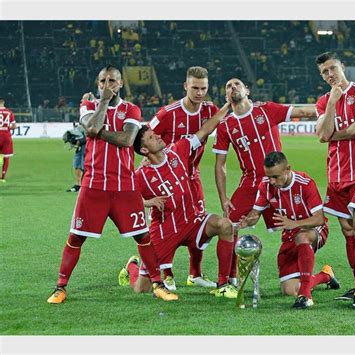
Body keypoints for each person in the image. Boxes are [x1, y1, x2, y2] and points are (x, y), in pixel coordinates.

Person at [47, 65, 172, 304]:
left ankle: (158, 283)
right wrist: (102, 104)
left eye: (112, 81)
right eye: (103, 81)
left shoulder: (131, 109)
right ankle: (60, 287)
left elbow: (126, 140)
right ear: (97, 84)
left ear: (121, 84)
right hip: (93, 185)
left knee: (142, 236)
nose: (107, 85)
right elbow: (91, 126)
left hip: (125, 186)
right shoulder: (88, 105)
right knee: (76, 237)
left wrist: (96, 132)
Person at [120, 101, 238, 299]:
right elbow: (123, 202)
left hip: (193, 221)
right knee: (142, 288)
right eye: (151, 137)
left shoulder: (178, 150)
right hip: (165, 232)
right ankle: (131, 267)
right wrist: (149, 202)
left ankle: (224, 283)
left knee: (225, 226)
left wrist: (228, 105)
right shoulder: (141, 175)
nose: (157, 136)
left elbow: (205, 130)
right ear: (145, 151)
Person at [213, 78, 317, 284]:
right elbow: (220, 164)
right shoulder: (225, 126)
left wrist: (333, 107)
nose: (233, 87)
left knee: (301, 226)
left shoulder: (266, 110)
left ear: (247, 90)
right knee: (229, 226)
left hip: (279, 182)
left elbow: (303, 112)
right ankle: (226, 281)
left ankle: (305, 275)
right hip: (250, 183)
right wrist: (224, 196)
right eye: (228, 87)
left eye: (237, 84)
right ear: (226, 97)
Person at [315, 51, 355, 310]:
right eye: (324, 72)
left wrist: (331, 135)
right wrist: (331, 103)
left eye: (332, 68)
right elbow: (322, 134)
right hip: (336, 177)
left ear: (342, 66)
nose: (330, 75)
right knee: (348, 231)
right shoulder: (322, 101)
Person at [147, 66, 219, 291]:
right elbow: (145, 136)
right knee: (166, 225)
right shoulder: (167, 113)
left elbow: (225, 121)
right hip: (167, 182)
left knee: (198, 223)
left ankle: (194, 274)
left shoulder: (209, 110)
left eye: (203, 88)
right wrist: (147, 160)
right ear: (185, 86)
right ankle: (167, 274)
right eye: (195, 87)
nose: (199, 92)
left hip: (192, 177)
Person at [239, 151, 340, 309]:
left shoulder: (305, 183)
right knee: (289, 289)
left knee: (302, 237)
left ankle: (305, 297)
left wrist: (295, 223)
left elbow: (319, 219)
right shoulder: (266, 186)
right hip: (289, 236)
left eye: (276, 176)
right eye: (268, 176)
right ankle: (325, 275)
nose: (272, 181)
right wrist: (248, 220)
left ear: (287, 169)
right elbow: (255, 213)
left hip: (313, 229)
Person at [64, 122, 86, 192]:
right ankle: (78, 184)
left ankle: (84, 185)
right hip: (79, 148)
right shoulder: (80, 120)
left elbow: (90, 135)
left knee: (84, 166)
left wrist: (80, 141)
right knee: (77, 165)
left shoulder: (88, 118)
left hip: (86, 147)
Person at [0, 98, 17, 182]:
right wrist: (7, 128)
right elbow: (14, 126)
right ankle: (2, 177)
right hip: (6, 136)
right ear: (3, 103)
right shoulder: (9, 112)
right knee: (6, 157)